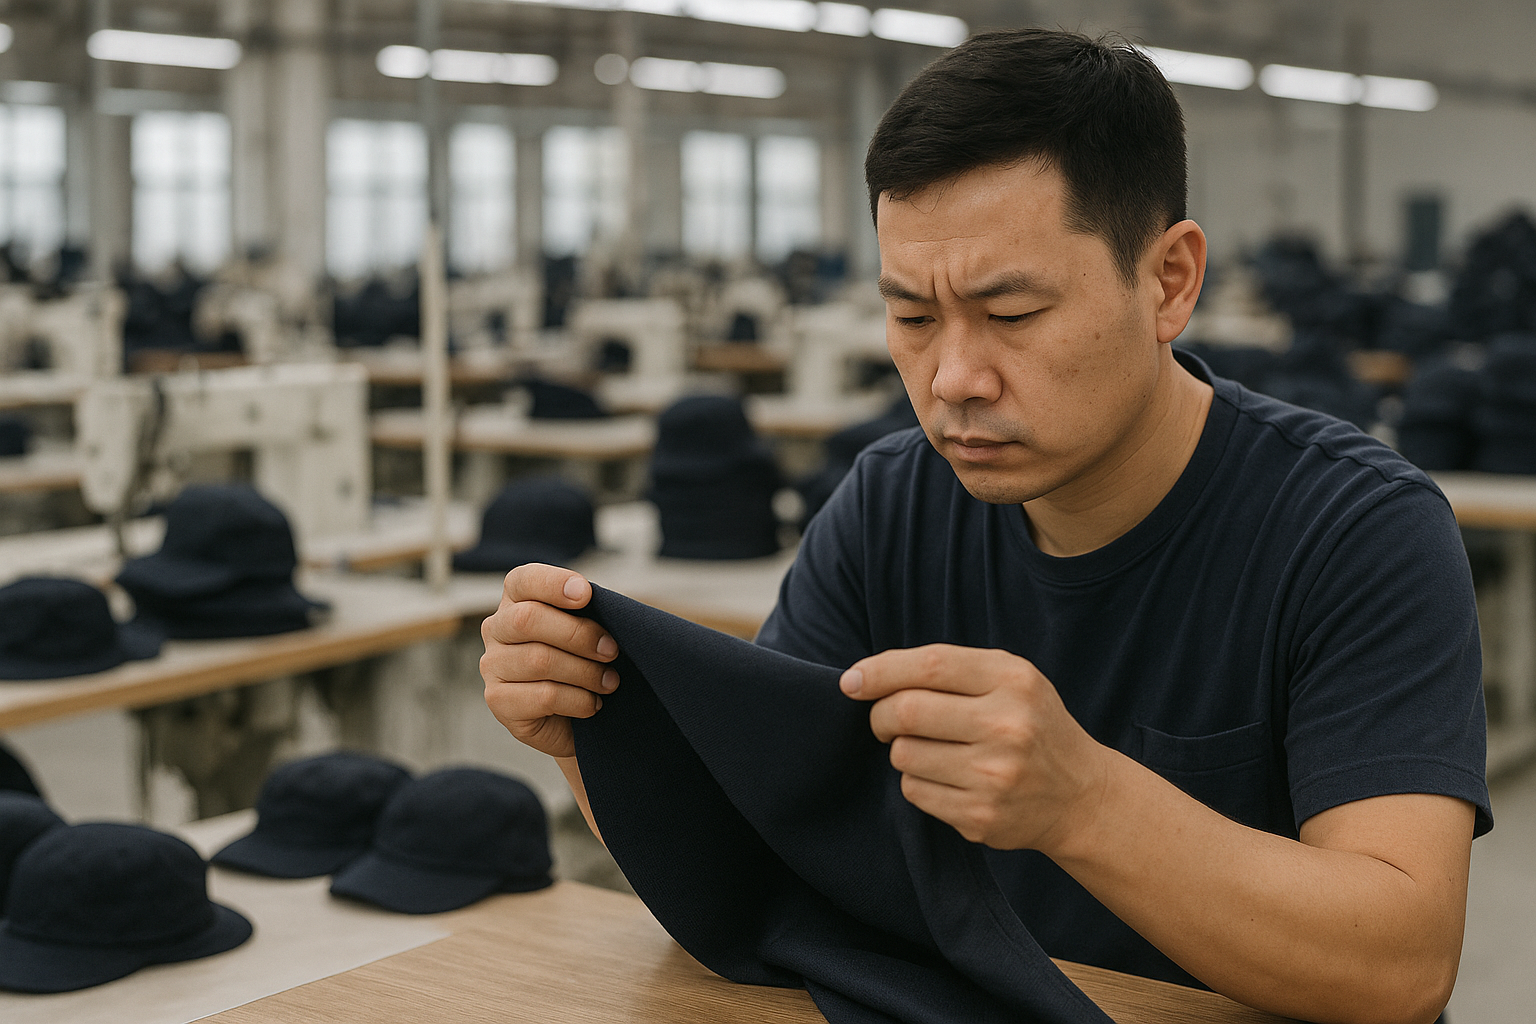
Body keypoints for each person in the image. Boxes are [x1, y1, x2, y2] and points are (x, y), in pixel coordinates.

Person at [479, 28, 1488, 1024]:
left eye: (1011, 313)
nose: (953, 379)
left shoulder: (1358, 532)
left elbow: (1400, 966)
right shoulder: (890, 506)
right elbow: (763, 858)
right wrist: (597, 736)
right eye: (913, 317)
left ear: (1170, 281)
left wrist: (1085, 800)